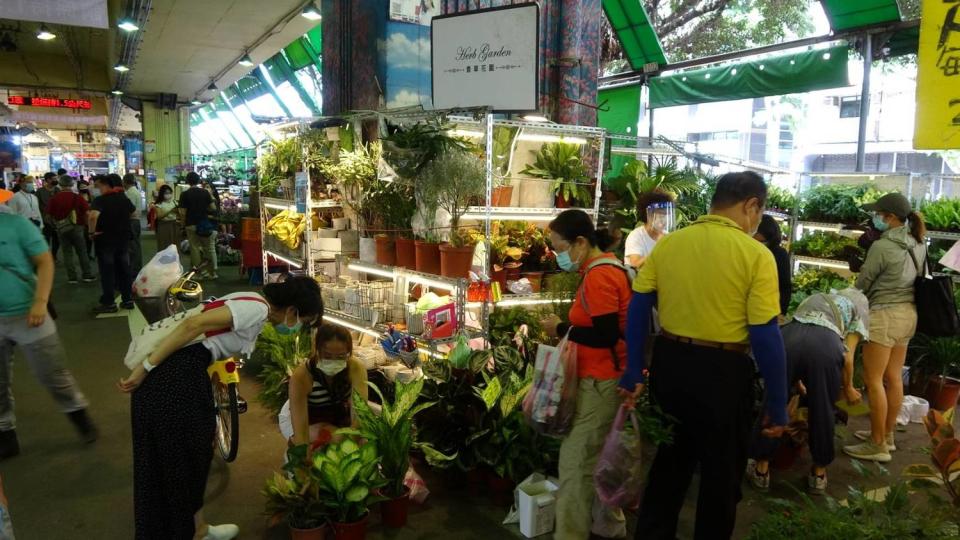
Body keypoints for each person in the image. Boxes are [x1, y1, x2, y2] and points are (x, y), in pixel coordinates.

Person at [621, 171, 787, 539]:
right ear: (751, 206)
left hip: (670, 364)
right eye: (759, 212)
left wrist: (634, 368)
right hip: (724, 374)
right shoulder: (757, 255)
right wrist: (777, 403)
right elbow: (764, 334)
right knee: (721, 478)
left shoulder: (670, 244)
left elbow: (638, 306)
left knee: (668, 469)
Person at [118, 275, 323, 540]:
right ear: (293, 310)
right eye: (303, 323)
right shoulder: (258, 308)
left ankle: (197, 529)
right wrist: (145, 368)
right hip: (172, 378)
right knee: (180, 462)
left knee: (189, 455)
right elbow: (193, 325)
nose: (298, 329)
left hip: (182, 374)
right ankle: (183, 532)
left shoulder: (253, 303)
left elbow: (207, 339)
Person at [537, 209, 632, 540]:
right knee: (600, 462)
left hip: (600, 382)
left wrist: (562, 328)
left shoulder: (600, 275)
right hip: (603, 379)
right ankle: (610, 528)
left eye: (559, 247)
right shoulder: (602, 268)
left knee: (576, 466)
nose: (557, 255)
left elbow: (606, 335)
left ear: (579, 242)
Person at [0, 189, 97, 462]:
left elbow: (44, 261)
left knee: (52, 374)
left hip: (30, 314)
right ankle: (5, 433)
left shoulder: (16, 225)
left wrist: (41, 301)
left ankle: (79, 416)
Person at [748, 289, 869, 494]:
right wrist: (848, 388)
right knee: (822, 409)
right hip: (826, 345)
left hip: (787, 338)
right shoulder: (860, 310)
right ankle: (818, 474)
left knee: (774, 400)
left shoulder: (817, 298)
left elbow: (803, 337)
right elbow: (847, 358)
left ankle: (761, 469)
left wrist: (799, 379)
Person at [843, 192, 926, 463]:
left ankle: (877, 445)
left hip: (885, 315)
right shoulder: (918, 242)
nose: (875, 218)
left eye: (878, 214)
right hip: (908, 316)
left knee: (874, 379)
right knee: (893, 377)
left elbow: (864, 283)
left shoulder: (882, 246)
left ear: (890, 217)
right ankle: (886, 436)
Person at [281, 324, 368, 448]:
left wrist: (349, 443)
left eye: (341, 357)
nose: (334, 361)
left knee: (362, 441)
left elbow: (360, 412)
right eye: (327, 356)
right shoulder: (302, 376)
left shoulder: (355, 368)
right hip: (301, 416)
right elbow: (301, 430)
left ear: (349, 353)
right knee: (325, 436)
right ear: (316, 351)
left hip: (336, 416)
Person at [89, 174, 136, 314]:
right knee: (124, 270)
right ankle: (127, 300)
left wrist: (91, 233)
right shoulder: (123, 198)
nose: (97, 189)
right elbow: (133, 212)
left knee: (107, 272)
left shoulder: (100, 200)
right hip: (122, 239)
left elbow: (92, 216)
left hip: (105, 240)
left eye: (98, 186)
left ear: (106, 185)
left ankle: (109, 303)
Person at [47, 175, 95, 284]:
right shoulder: (77, 197)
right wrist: (88, 226)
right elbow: (87, 213)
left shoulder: (54, 198)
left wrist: (55, 226)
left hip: (61, 228)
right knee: (82, 252)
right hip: (77, 227)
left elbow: (48, 216)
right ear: (71, 184)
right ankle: (87, 275)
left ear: (60, 184)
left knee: (67, 252)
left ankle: (72, 277)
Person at [179, 172, 218, 279]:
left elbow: (182, 212)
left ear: (187, 181)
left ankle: (198, 273)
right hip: (205, 224)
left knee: (194, 248)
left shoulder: (184, 194)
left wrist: (182, 225)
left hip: (191, 224)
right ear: (198, 181)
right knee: (209, 248)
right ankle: (212, 272)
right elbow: (213, 208)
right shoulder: (205, 192)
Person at [623, 191, 675, 269]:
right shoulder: (636, 236)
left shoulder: (667, 236)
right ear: (648, 215)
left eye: (666, 215)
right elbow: (635, 265)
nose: (664, 219)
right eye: (661, 215)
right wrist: (659, 249)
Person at [754, 214, 792, 315]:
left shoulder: (779, 254)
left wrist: (780, 312)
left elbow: (785, 287)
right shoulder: (746, 251)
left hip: (769, 309)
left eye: (762, 242)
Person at [124, 173, 144, 277]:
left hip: (132, 221)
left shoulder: (130, 193)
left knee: (133, 247)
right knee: (135, 245)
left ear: (125, 182)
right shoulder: (134, 191)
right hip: (136, 221)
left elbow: (129, 209)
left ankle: (135, 269)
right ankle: (136, 267)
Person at [37, 172, 60, 259]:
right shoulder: (40, 191)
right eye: (54, 179)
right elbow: (37, 206)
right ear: (48, 180)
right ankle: (46, 257)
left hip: (57, 220)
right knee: (46, 239)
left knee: (57, 240)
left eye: (56, 178)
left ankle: (54, 255)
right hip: (45, 220)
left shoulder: (57, 190)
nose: (56, 180)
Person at [152, 184, 180, 252]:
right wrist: (170, 211)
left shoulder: (174, 202)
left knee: (174, 245)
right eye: (166, 193)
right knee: (164, 245)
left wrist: (177, 212)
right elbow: (159, 216)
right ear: (162, 194)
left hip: (174, 225)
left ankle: (174, 261)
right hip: (163, 226)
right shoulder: (159, 204)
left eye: (170, 193)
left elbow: (179, 214)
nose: (169, 195)